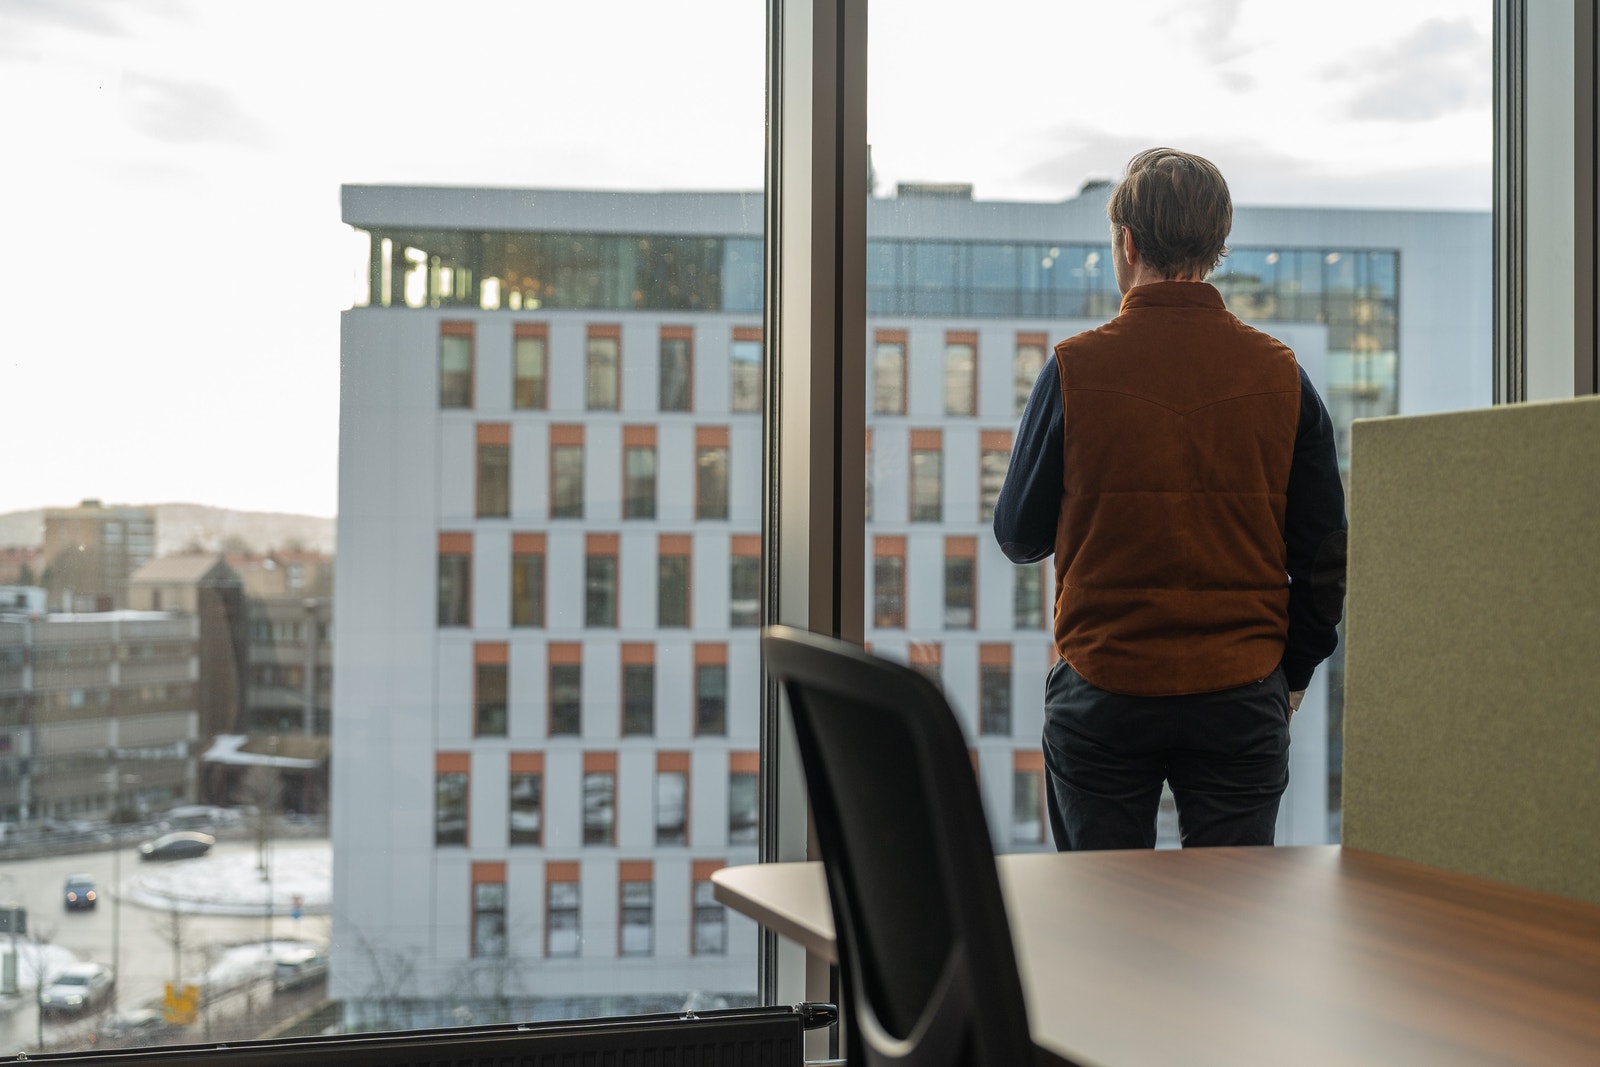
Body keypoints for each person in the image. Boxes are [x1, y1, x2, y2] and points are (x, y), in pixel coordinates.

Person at [993, 148, 1347, 850]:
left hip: (1103, 688)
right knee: (1232, 926)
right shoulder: (1282, 376)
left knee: (1101, 920)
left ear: (1127, 243)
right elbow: (1323, 551)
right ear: (1216, 248)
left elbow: (1019, 535)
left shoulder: (1074, 369)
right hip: (1240, 692)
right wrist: (1294, 670)